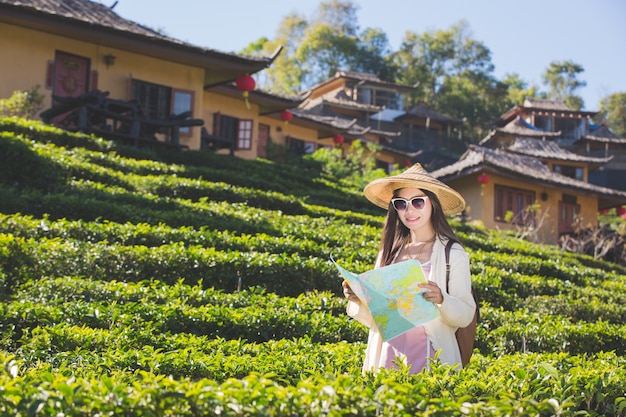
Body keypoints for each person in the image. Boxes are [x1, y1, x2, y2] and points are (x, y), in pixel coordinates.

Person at [342, 163, 475, 373]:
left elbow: (466, 313)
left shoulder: (452, 252)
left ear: (433, 204)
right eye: (401, 204)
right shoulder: (390, 253)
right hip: (388, 354)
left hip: (431, 355)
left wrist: (441, 299)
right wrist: (358, 297)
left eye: (418, 202)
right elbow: (379, 316)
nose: (409, 210)